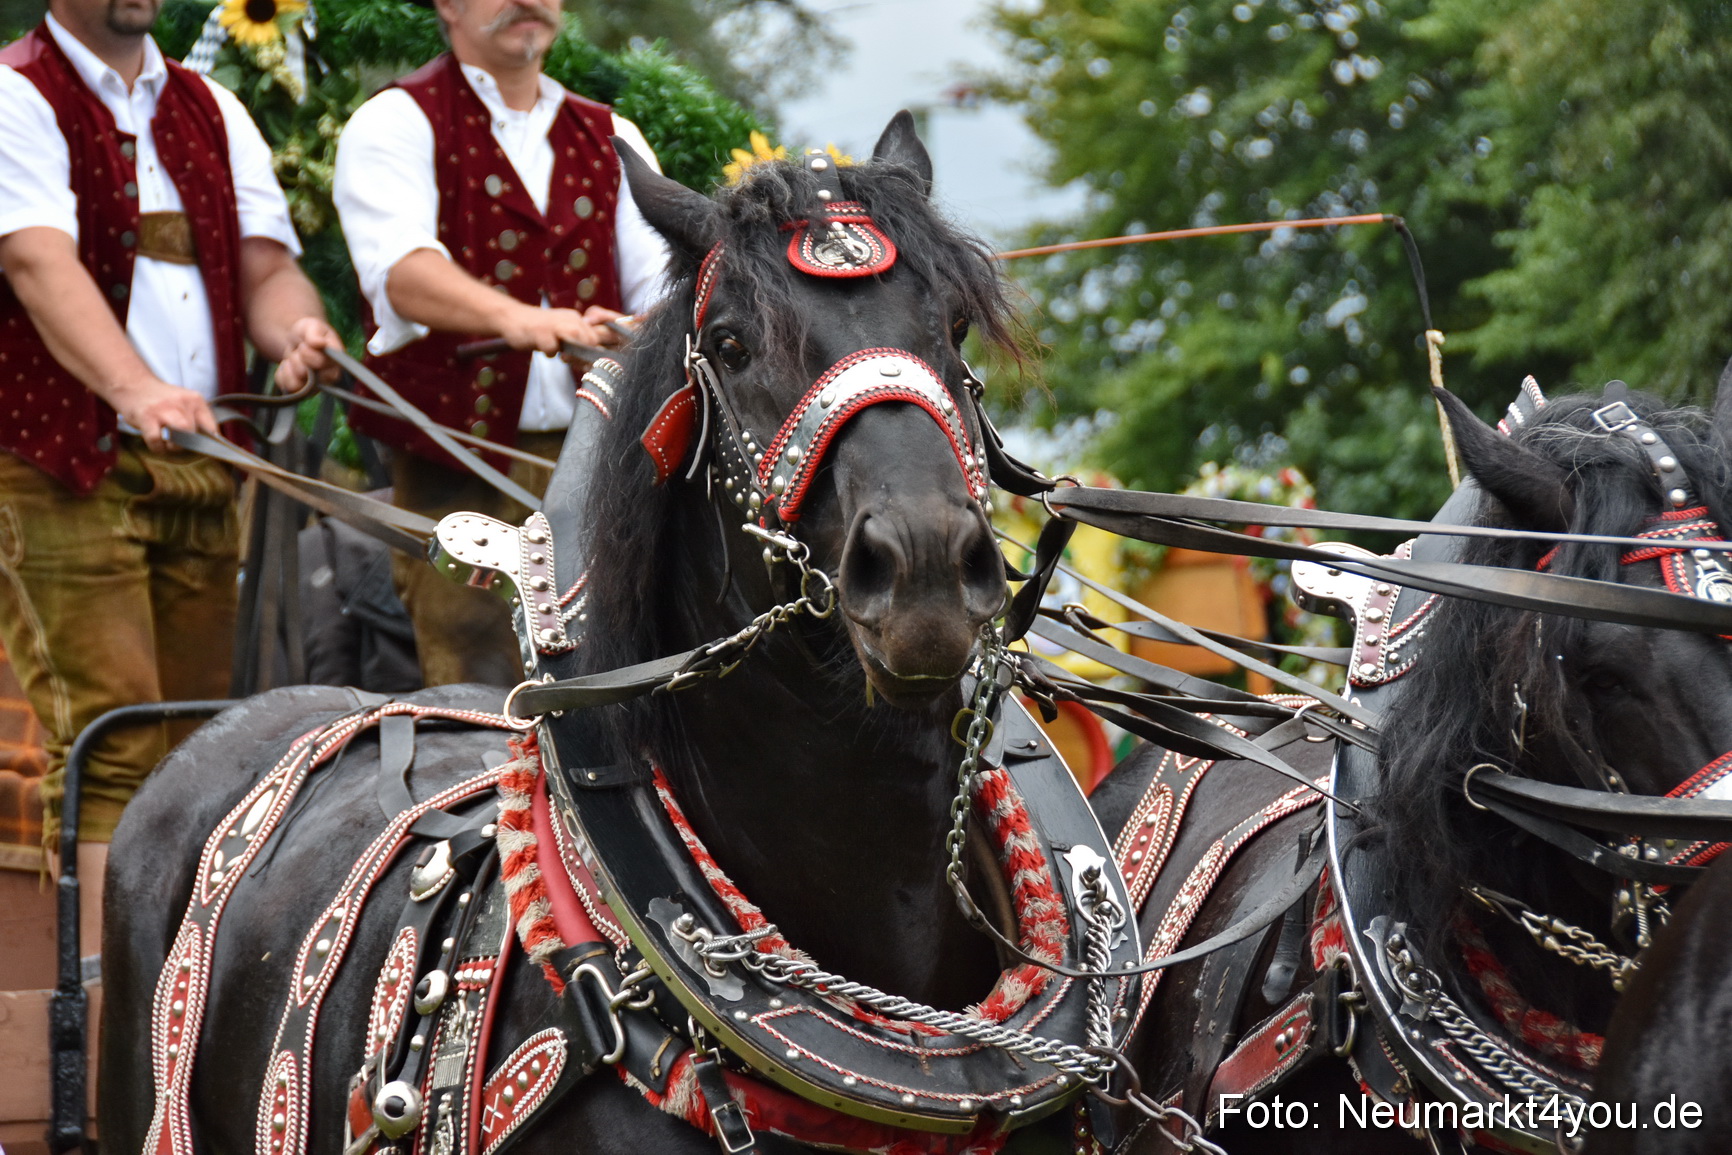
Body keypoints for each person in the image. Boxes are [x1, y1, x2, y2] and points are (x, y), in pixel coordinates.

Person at [0, 0, 338, 922]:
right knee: (116, 739)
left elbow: (265, 271)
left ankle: (177, 1003)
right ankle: (114, 1005)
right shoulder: (13, 93)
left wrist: (295, 331)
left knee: (191, 746)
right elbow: (36, 262)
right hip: (60, 465)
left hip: (196, 462)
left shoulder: (214, 108)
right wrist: (135, 386)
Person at [334, 0, 669, 688]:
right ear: (447, 6)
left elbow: (666, 286)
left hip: (603, 465)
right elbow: (401, 273)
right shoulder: (396, 121)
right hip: (458, 469)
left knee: (615, 683)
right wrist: (518, 318)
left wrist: (643, 330)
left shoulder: (612, 134)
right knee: (480, 695)